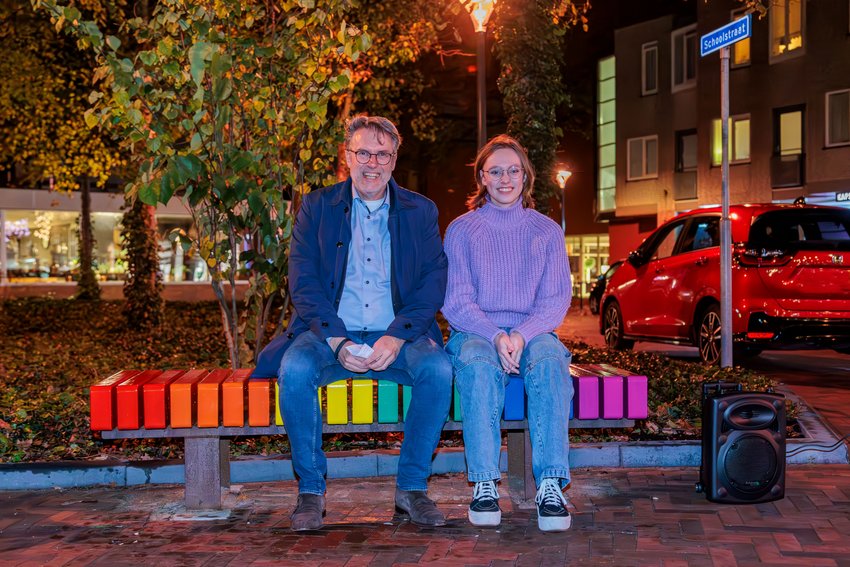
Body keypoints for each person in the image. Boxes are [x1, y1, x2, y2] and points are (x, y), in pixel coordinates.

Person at [254, 115, 453, 531]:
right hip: (329, 332)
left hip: (397, 333)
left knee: (437, 369)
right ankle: (310, 492)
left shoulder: (420, 211)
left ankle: (412, 489)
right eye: (363, 152)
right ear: (347, 156)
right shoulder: (317, 206)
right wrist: (337, 341)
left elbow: (432, 284)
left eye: (382, 154)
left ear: (394, 160)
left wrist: (397, 337)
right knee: (294, 369)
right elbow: (303, 283)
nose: (372, 162)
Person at [442, 134, 574, 532]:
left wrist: (520, 333)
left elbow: (555, 299)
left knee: (551, 360)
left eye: (512, 170)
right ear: (482, 176)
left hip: (532, 331)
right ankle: (484, 483)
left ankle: (550, 484)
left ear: (525, 176)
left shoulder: (546, 231)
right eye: (495, 171)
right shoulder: (462, 230)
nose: (504, 178)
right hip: (474, 330)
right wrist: (496, 335)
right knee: (480, 364)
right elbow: (457, 302)